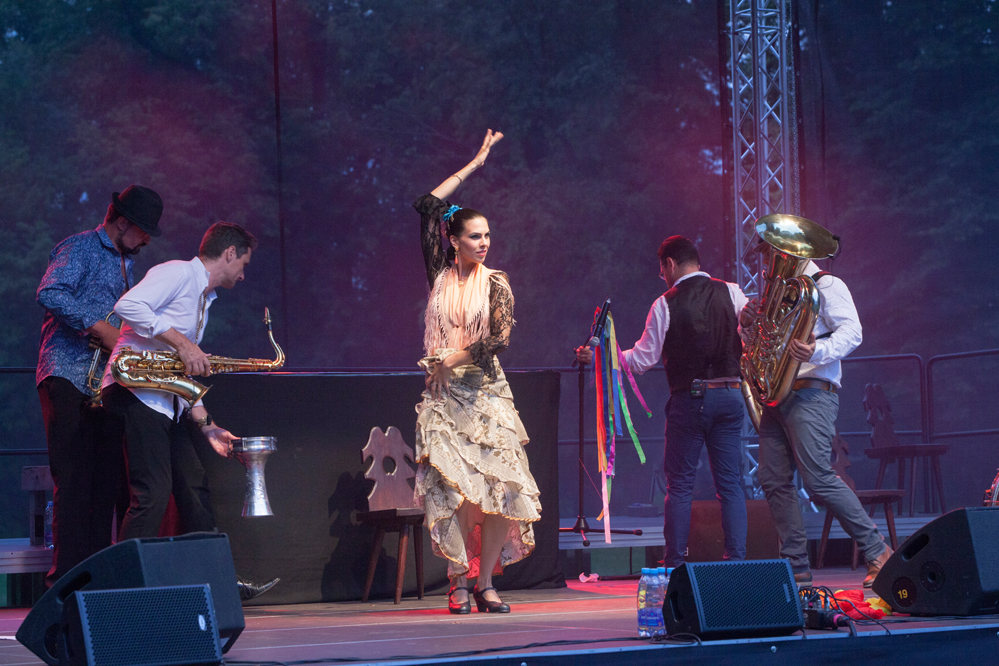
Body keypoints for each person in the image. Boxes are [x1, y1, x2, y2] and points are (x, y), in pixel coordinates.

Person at [100, 221, 276, 599]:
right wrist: (181, 342)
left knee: (194, 487)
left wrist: (208, 425)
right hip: (136, 392)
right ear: (229, 253)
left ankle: (216, 583)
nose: (243, 275)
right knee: (152, 493)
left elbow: (180, 374)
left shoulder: (203, 301)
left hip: (165, 401)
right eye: (243, 264)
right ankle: (121, 592)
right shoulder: (178, 273)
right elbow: (127, 305)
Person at [413, 130, 541, 615]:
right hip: (445, 396)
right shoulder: (440, 274)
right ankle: (458, 581)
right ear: (454, 240)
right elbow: (427, 205)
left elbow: (497, 341)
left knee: (498, 488)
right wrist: (475, 163)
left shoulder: (496, 284)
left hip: (484, 392)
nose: (483, 243)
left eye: (487, 235)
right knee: (457, 489)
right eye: (474, 235)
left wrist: (451, 359)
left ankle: (485, 582)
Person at [576, 236, 749, 569]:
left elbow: (642, 360)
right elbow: (752, 333)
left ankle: (675, 564)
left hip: (692, 399)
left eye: (662, 271)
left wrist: (603, 356)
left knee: (680, 484)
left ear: (669, 264)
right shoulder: (732, 291)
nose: (663, 278)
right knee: (730, 484)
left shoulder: (665, 304)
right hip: (731, 395)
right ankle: (736, 564)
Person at [36, 185, 162, 586]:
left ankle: (93, 584)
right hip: (68, 374)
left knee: (104, 487)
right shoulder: (80, 247)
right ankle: (64, 587)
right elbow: (50, 291)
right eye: (143, 230)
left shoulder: (128, 265)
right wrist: (99, 327)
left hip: (104, 384)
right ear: (122, 222)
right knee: (74, 484)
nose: (146, 239)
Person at [746, 259, 891, 587]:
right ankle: (795, 567)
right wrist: (749, 327)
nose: (767, 259)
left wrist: (816, 350)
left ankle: (878, 551)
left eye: (771, 250)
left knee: (818, 478)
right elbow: (765, 346)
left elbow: (852, 332)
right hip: (777, 396)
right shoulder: (779, 293)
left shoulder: (827, 285)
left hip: (811, 393)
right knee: (772, 479)